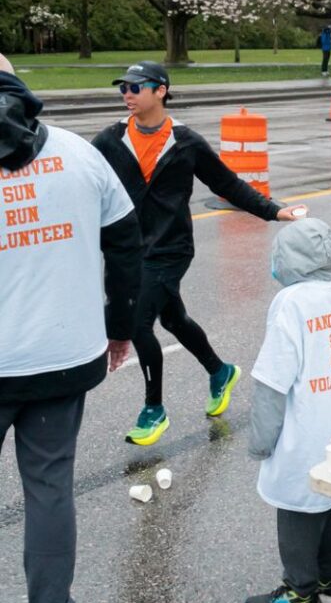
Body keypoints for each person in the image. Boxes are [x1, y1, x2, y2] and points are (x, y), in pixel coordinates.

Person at [0, 55, 142, 603]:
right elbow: (127, 248)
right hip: (62, 356)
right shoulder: (82, 155)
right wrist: (119, 329)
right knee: (50, 488)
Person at [93, 61, 304, 446]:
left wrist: (273, 210)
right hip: (128, 251)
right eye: (123, 87)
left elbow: (228, 184)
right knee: (173, 319)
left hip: (171, 250)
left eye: (135, 87)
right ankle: (220, 371)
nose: (126, 94)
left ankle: (154, 410)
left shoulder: (186, 142)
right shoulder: (109, 140)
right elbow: (82, 179)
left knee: (138, 323)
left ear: (160, 90)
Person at [245, 217, 331, 603]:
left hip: (306, 428)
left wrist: (262, 439)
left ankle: (300, 593)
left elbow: (272, 380)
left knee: (296, 503)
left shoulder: (291, 303)